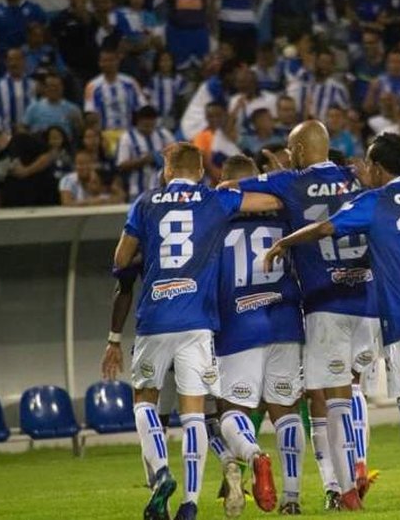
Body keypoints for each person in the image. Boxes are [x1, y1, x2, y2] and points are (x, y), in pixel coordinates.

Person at [263, 132, 400, 508]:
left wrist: (283, 243)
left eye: (368, 164)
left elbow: (325, 228)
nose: (363, 170)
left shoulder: (376, 201)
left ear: (380, 168)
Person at [103, 141, 284, 520]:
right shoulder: (214, 201)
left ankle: (162, 474)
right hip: (199, 324)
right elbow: (271, 202)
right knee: (194, 415)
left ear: (167, 171)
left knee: (145, 402)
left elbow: (120, 260)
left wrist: (151, 254)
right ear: (200, 172)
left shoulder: (146, 203)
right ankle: (190, 504)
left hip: (156, 319)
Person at [225, 120, 381, 511]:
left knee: (327, 397)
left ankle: (344, 488)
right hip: (368, 301)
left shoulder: (288, 182)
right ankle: (356, 466)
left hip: (324, 304)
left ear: (296, 150)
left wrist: (268, 176)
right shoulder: (356, 174)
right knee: (351, 385)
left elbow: (231, 192)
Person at [214, 155, 306, 515]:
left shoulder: (215, 222)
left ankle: (255, 457)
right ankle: (292, 498)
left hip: (238, 326)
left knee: (231, 412)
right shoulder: (285, 217)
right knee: (286, 413)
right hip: (284, 320)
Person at [0, 124, 61, 208]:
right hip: (13, 209)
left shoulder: (21, 140)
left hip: (41, 202)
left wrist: (27, 171)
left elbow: (48, 156)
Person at [116, 105, 175, 201]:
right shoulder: (127, 138)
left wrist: (162, 158)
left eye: (151, 125)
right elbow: (121, 165)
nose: (149, 129)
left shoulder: (164, 135)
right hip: (137, 190)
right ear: (138, 121)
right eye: (145, 126)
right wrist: (144, 160)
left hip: (163, 191)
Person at [84, 47, 147, 133]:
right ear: (100, 63)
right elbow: (90, 114)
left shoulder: (131, 83)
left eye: (111, 60)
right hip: (105, 135)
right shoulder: (92, 86)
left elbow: (143, 108)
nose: (109, 64)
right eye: (105, 61)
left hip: (128, 134)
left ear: (118, 61)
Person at [50, 0, 101, 86]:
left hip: (93, 65)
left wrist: (83, 13)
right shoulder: (60, 19)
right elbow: (54, 42)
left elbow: (93, 34)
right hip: (73, 68)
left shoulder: (92, 17)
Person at [0, 48, 36, 132]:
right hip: (5, 133)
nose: (13, 63)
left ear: (24, 61)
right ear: (5, 63)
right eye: (10, 60)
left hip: (30, 134)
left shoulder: (33, 85)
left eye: (17, 59)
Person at [23, 73, 83, 140]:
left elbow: (80, 134)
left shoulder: (73, 109)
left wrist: (78, 124)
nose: (53, 89)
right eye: (50, 86)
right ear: (45, 88)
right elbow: (23, 127)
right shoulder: (33, 107)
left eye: (56, 86)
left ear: (62, 87)